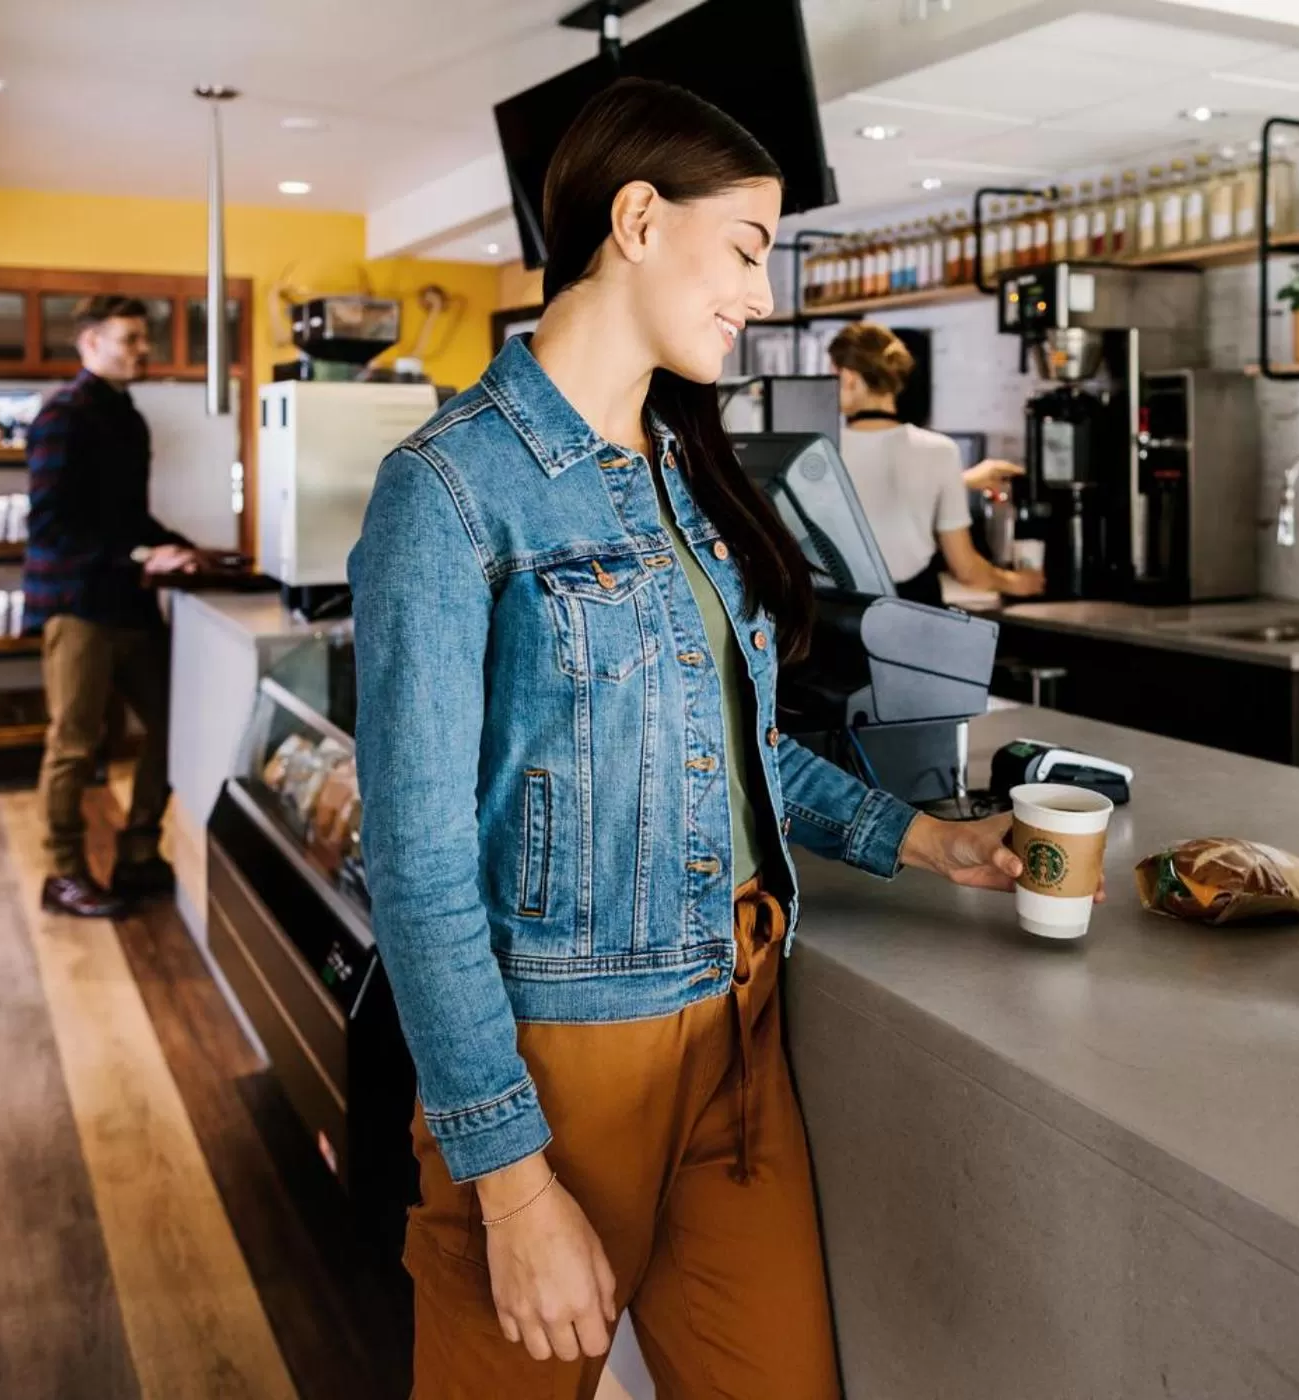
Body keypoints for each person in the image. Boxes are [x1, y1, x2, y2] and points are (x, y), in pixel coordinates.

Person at [350, 78, 1099, 1400]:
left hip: (741, 1029)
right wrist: (513, 1185)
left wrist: (930, 840)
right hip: (563, 1060)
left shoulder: (683, 470)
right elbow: (415, 875)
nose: (761, 294)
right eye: (748, 249)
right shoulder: (448, 490)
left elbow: (735, 746)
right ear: (638, 220)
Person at [24, 295, 200, 918]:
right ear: (90, 343)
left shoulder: (129, 420)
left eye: (143, 338)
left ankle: (138, 853)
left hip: (129, 604)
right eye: (128, 338)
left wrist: (180, 548)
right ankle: (64, 872)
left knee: (172, 726)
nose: (141, 349)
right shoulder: (61, 417)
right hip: (78, 606)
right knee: (74, 743)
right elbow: (49, 525)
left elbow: (128, 518)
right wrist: (137, 556)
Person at [827, 322, 1045, 606]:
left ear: (848, 378)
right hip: (913, 613)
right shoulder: (939, 451)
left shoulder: (821, 449)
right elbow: (966, 569)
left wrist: (958, 481)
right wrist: (1018, 583)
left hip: (837, 615)